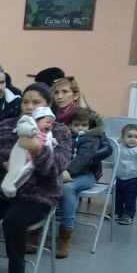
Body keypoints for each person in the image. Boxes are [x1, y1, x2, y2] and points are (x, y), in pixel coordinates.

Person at [0, 83, 72, 273]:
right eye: (25, 102)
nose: (29, 107)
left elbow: (57, 167)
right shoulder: (6, 125)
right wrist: (2, 165)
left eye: (36, 103)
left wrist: (38, 150)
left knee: (14, 221)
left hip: (38, 194)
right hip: (2, 186)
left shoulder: (59, 131)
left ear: (48, 105)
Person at [56, 107, 111, 257]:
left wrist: (68, 173)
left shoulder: (92, 138)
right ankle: (36, 230)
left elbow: (83, 158)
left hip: (86, 174)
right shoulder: (64, 135)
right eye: (76, 125)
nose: (80, 128)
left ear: (90, 126)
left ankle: (65, 235)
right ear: (70, 125)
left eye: (84, 125)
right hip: (63, 172)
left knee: (67, 188)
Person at [1, 106, 56, 198]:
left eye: (52, 124)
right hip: (22, 154)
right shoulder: (30, 124)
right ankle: (6, 185)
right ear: (37, 120)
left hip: (32, 160)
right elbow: (22, 128)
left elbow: (48, 144)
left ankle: (14, 187)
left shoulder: (48, 135)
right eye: (47, 122)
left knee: (24, 174)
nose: (49, 125)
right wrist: (32, 130)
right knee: (15, 170)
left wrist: (53, 141)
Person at [114, 124, 137, 225]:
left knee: (130, 198)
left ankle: (128, 216)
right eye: (129, 136)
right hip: (120, 178)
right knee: (117, 197)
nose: (133, 139)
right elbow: (113, 145)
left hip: (134, 179)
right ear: (123, 137)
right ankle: (118, 212)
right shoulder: (120, 147)